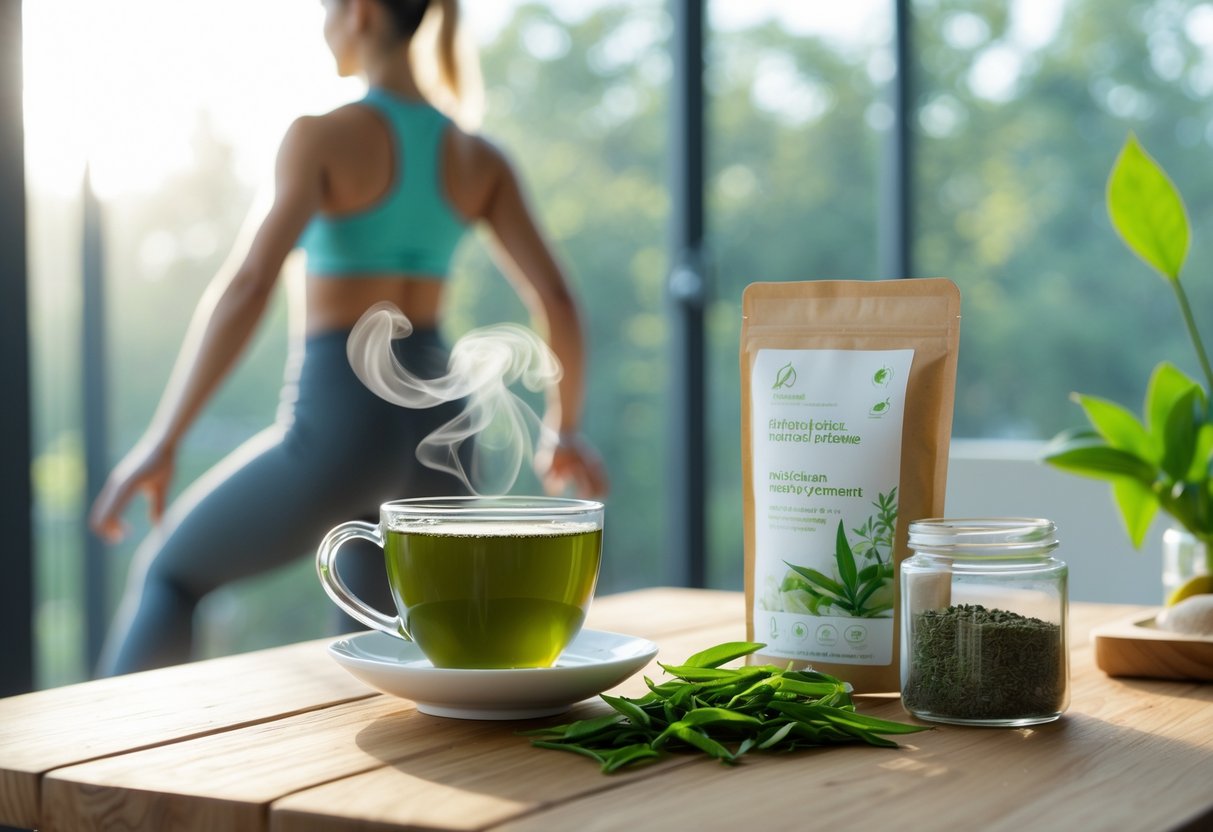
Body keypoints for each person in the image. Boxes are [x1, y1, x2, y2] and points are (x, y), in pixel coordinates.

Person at [88, 0, 608, 676]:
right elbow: (558, 298)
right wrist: (565, 428)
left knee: (170, 575)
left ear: (359, 11)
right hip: (443, 424)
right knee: (387, 653)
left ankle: (102, 747)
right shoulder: (478, 157)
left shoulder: (321, 137)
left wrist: (163, 441)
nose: (322, 26)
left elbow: (249, 286)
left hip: (341, 421)